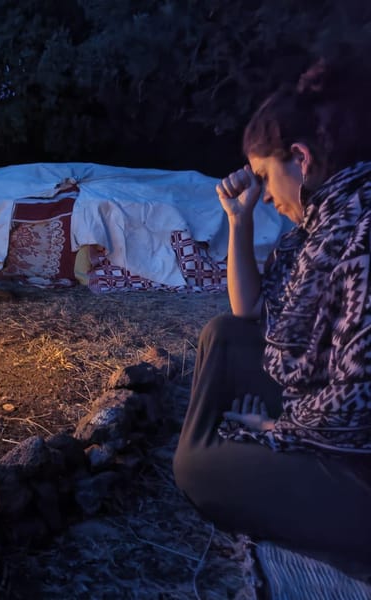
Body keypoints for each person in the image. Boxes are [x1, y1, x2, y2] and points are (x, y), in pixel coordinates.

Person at [173, 56, 371, 581]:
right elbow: (250, 313)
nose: (264, 194)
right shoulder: (318, 221)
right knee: (223, 335)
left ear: (300, 158)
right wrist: (238, 219)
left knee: (195, 468)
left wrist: (276, 427)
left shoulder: (360, 228)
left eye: (263, 175)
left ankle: (227, 449)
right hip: (313, 395)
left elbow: (359, 403)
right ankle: (229, 441)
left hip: (357, 465)